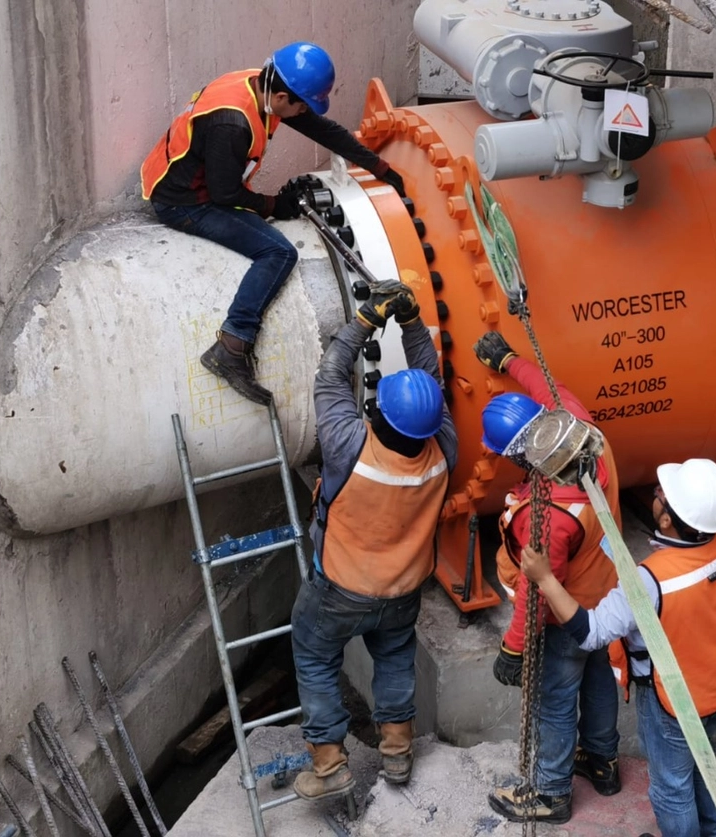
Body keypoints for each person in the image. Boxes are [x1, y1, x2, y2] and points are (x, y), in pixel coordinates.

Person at [140, 41, 406, 405]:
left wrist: (381, 169)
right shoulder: (232, 123)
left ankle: (231, 346)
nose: (301, 114)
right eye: (301, 106)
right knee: (277, 252)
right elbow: (225, 196)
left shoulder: (259, 85)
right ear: (282, 97)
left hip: (194, 183)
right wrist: (273, 205)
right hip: (183, 203)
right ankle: (231, 347)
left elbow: (325, 131)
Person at [520, 459, 716, 837]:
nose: (656, 493)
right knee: (702, 765)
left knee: (672, 789)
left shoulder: (651, 581)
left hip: (677, 706)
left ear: (667, 521)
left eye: (661, 496)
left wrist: (545, 579)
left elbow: (590, 633)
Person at [290, 276, 457, 800]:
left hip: (339, 588)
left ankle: (329, 763)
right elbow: (431, 378)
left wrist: (366, 321)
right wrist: (411, 322)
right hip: (403, 591)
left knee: (314, 657)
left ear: (377, 412)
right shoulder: (442, 451)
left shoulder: (348, 445)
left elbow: (330, 377)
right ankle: (397, 756)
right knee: (394, 663)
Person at [474, 332, 622, 824]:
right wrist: (509, 360)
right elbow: (548, 385)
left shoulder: (546, 517)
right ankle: (602, 762)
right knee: (599, 678)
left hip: (568, 614)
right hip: (606, 592)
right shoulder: (579, 432)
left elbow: (538, 593)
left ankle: (552, 793)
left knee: (555, 701)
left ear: (521, 457)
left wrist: (514, 648)